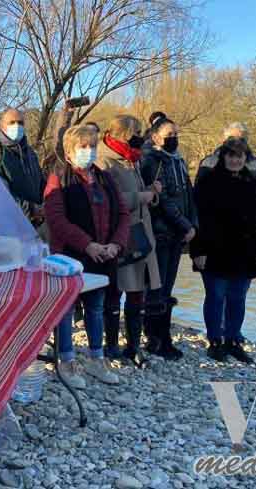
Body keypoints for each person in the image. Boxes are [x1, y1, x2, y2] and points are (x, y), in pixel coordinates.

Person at [44, 125, 130, 387]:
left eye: (91, 146)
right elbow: (56, 219)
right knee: (66, 310)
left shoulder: (105, 178)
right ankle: (66, 360)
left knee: (96, 307)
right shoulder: (58, 178)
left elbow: (124, 214)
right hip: (71, 255)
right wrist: (87, 244)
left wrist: (116, 244)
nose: (88, 151)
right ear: (69, 151)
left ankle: (96, 357)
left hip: (104, 255)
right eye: (82, 146)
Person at [96, 114, 161, 367]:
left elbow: (139, 193)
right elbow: (106, 199)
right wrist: (140, 197)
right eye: (136, 131)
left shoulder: (131, 158)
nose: (139, 136)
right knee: (114, 291)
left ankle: (133, 345)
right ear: (122, 134)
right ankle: (111, 345)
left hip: (142, 232)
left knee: (138, 292)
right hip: (119, 233)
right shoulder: (104, 161)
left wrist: (151, 194)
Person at [190, 138, 256, 363]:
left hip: (244, 251)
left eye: (239, 156)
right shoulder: (208, 181)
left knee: (237, 297)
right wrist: (198, 250)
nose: (235, 160)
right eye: (231, 155)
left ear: (245, 158)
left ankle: (232, 340)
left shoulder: (251, 182)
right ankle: (215, 341)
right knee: (216, 296)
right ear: (223, 157)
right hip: (214, 250)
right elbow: (198, 218)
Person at [140, 116, 197, 360]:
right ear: (155, 137)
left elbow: (188, 192)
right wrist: (183, 223)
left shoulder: (179, 160)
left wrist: (193, 223)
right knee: (156, 285)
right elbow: (162, 200)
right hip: (161, 230)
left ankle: (165, 336)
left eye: (176, 133)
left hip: (178, 233)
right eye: (168, 135)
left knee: (168, 286)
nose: (174, 138)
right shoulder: (152, 160)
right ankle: (154, 338)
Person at [197, 122, 256, 212]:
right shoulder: (208, 163)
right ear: (224, 140)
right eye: (232, 138)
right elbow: (199, 194)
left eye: (241, 139)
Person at [0, 108, 46, 227]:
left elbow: (41, 183)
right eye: (12, 122)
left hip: (36, 224)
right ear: (2, 125)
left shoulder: (30, 153)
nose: (17, 126)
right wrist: (31, 209)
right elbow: (0, 192)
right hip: (10, 226)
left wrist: (45, 204)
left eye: (20, 123)